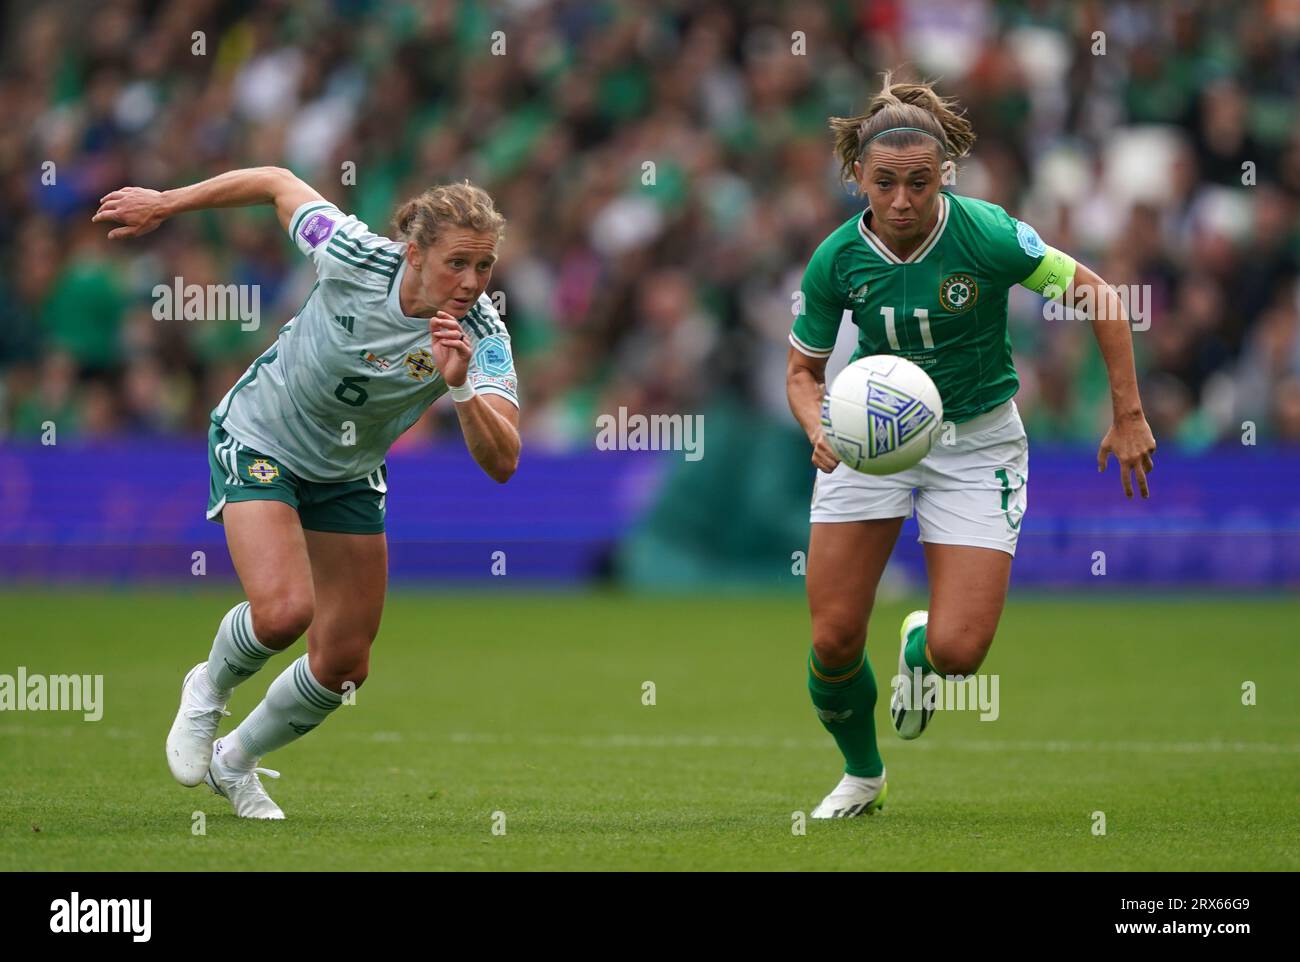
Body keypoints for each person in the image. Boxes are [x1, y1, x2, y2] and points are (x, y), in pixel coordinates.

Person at [94, 167, 520, 818]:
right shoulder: (350, 253)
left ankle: (235, 763)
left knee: (346, 663)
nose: (470, 282)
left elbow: (504, 461)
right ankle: (207, 690)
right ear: (415, 253)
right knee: (284, 612)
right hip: (261, 437)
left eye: (484, 266)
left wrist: (459, 388)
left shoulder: (483, 335)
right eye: (457, 262)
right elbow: (274, 180)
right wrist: (166, 203)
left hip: (347, 472)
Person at [786, 75, 1156, 818]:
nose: (900, 201)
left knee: (960, 654)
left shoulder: (987, 234)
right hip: (870, 442)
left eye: (918, 183)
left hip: (977, 442)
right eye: (884, 183)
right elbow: (803, 371)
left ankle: (920, 647)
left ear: (943, 174)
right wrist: (818, 426)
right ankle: (863, 775)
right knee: (831, 640)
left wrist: (1128, 414)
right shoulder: (835, 260)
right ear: (858, 177)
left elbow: (1101, 298)